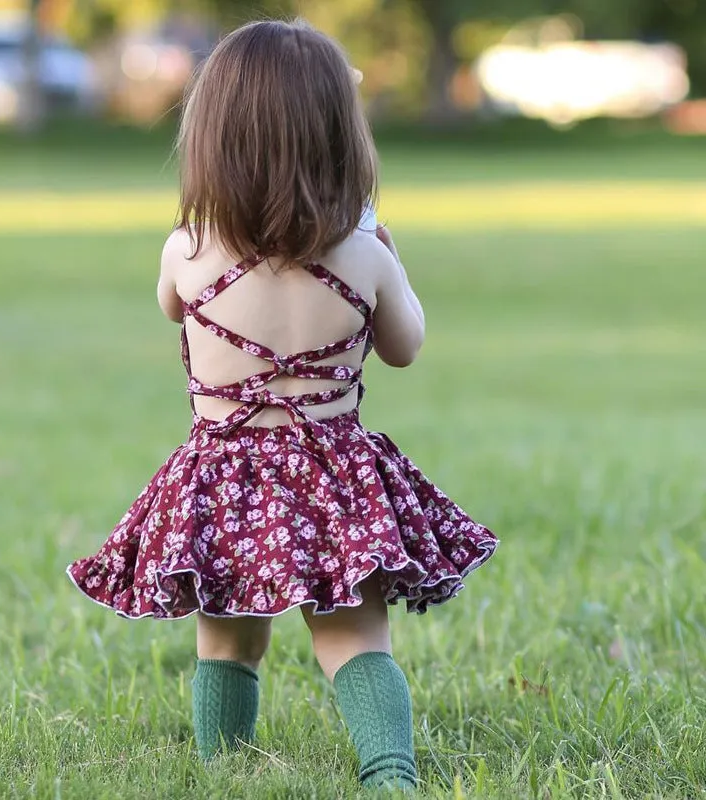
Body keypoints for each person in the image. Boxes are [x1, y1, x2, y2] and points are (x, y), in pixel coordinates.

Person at [67, 19, 498, 792]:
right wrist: (387, 259)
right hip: (333, 477)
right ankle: (390, 773)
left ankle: (225, 770)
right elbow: (405, 346)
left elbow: (172, 309)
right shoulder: (364, 254)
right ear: (340, 136)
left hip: (224, 479)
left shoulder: (187, 250)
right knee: (357, 639)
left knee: (227, 643)